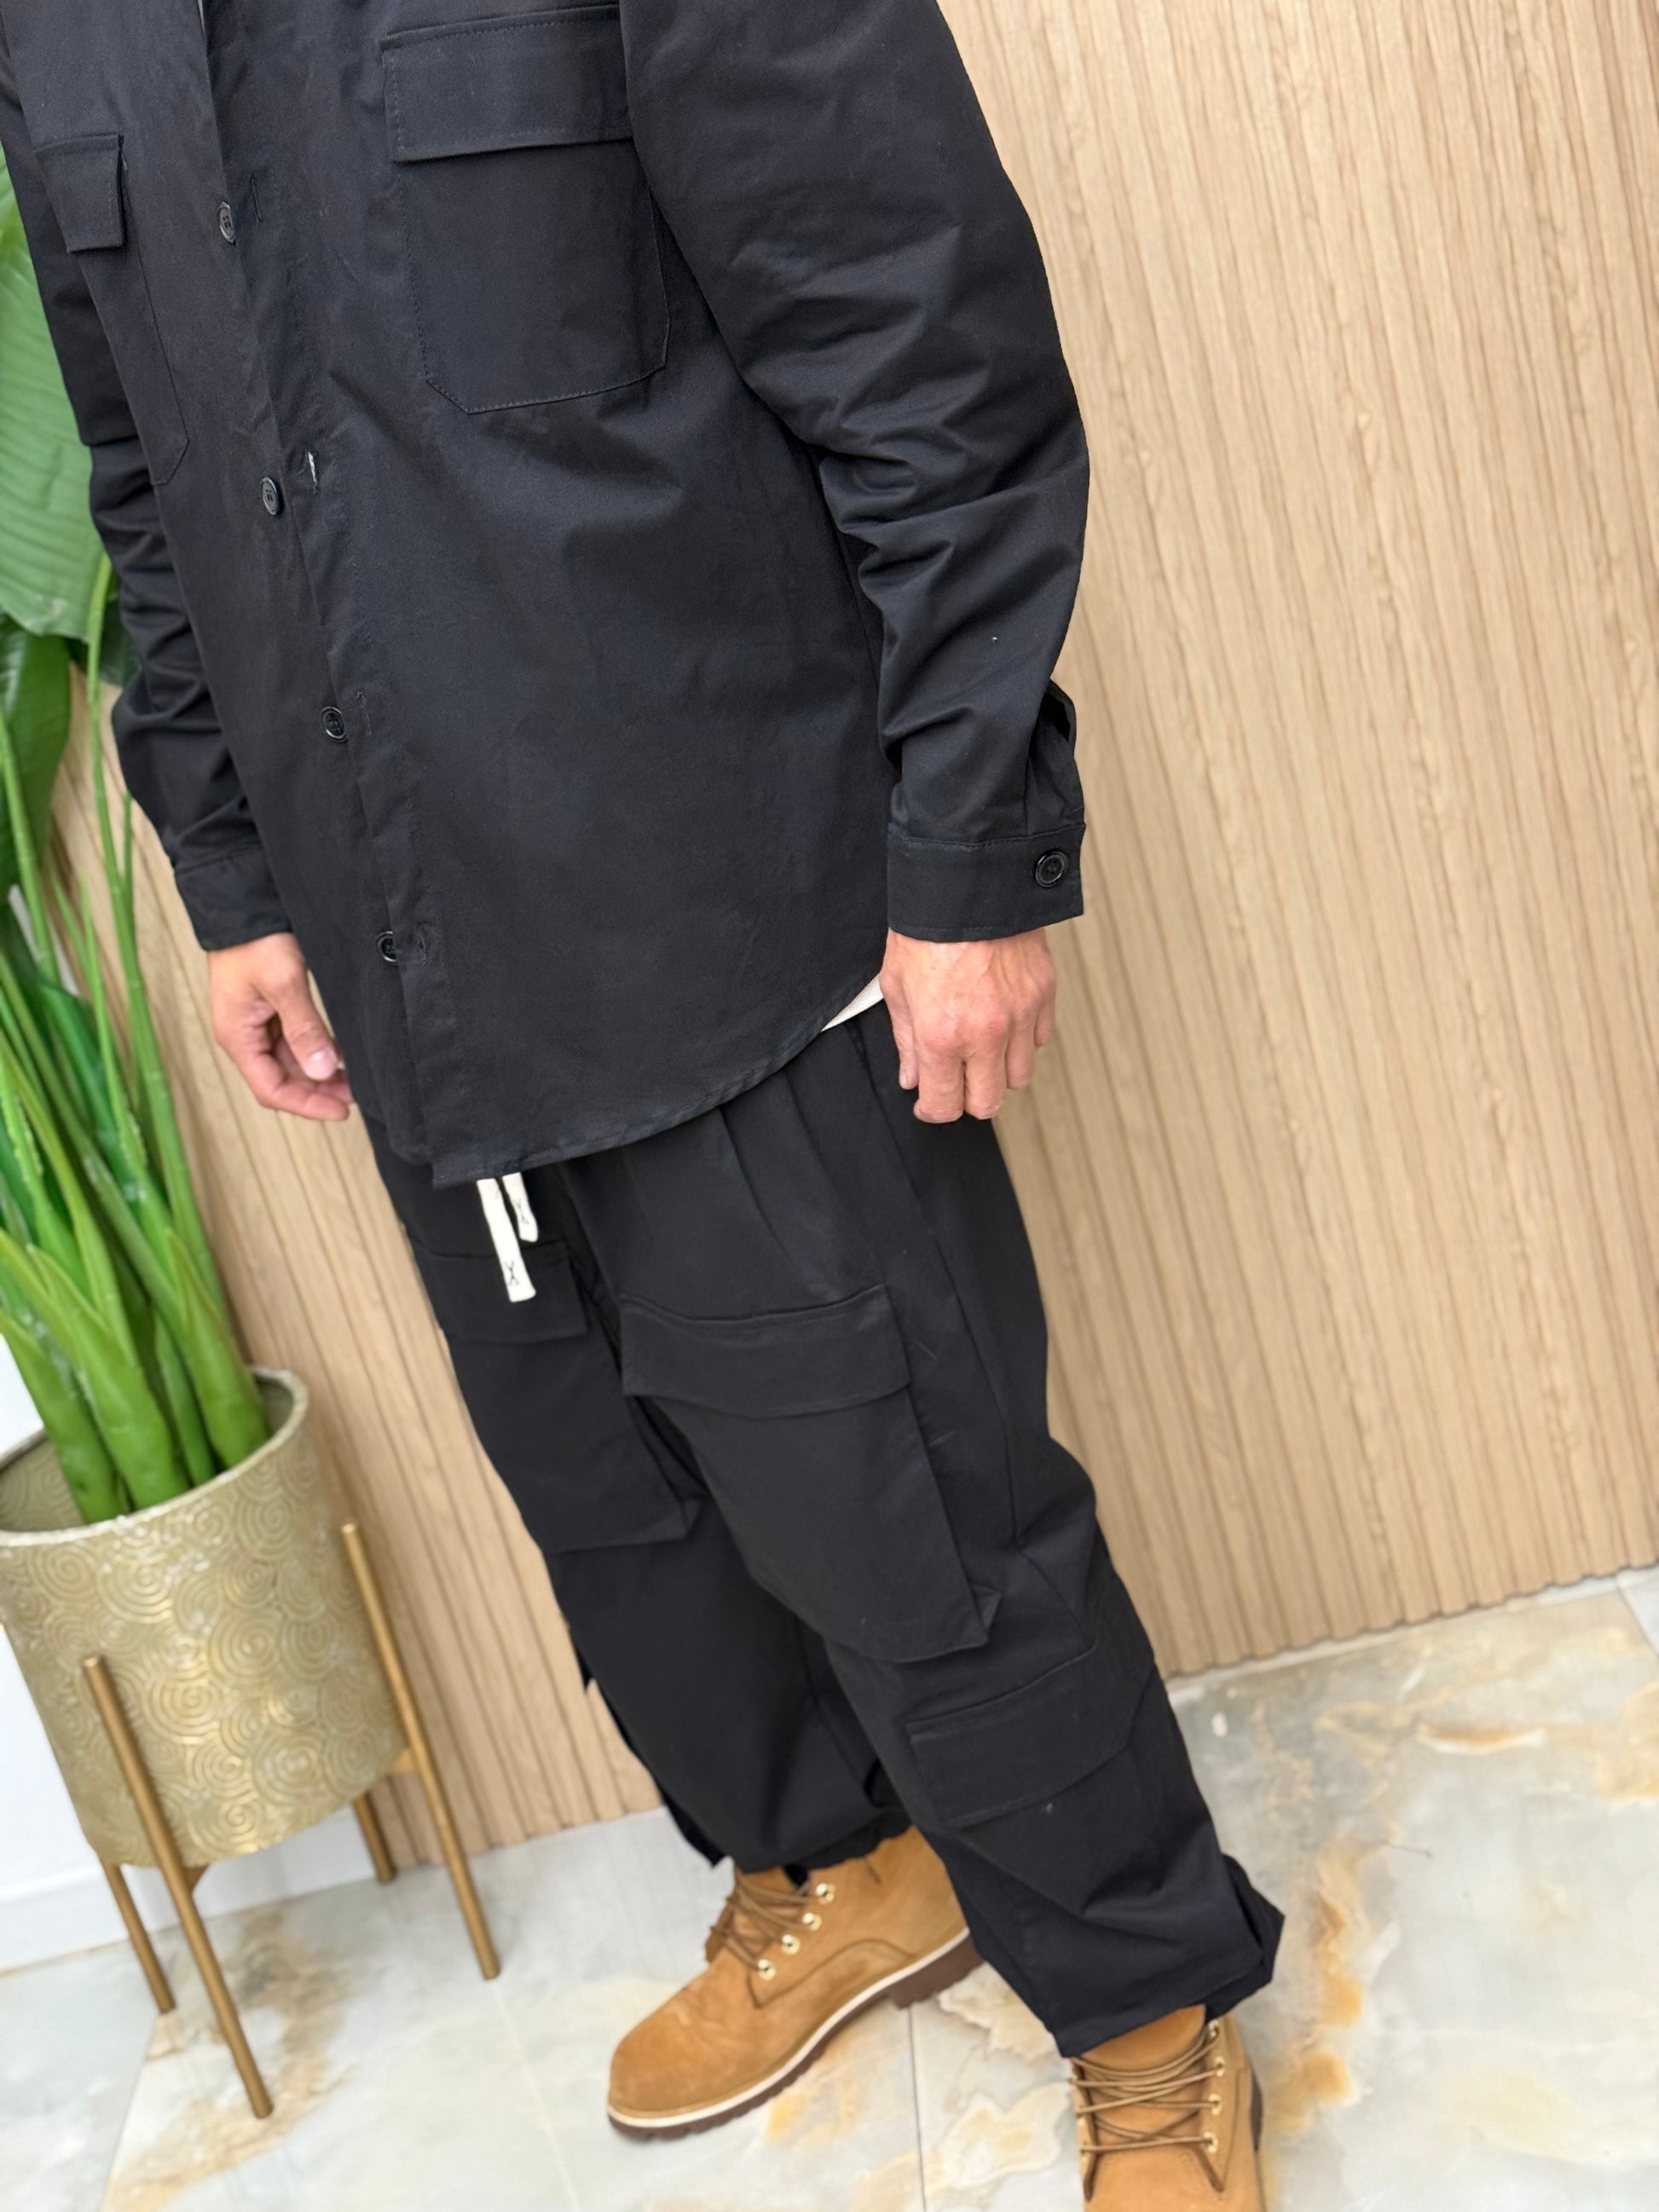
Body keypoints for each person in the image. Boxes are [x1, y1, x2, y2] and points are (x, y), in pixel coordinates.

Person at [0, 0, 1281, 2199]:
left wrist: (971, 850)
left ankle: (1149, 2011)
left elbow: (919, 337)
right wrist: (234, 878)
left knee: (911, 1511)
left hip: (731, 895)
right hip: (403, 947)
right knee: (618, 1508)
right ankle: (840, 1864)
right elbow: (156, 480)